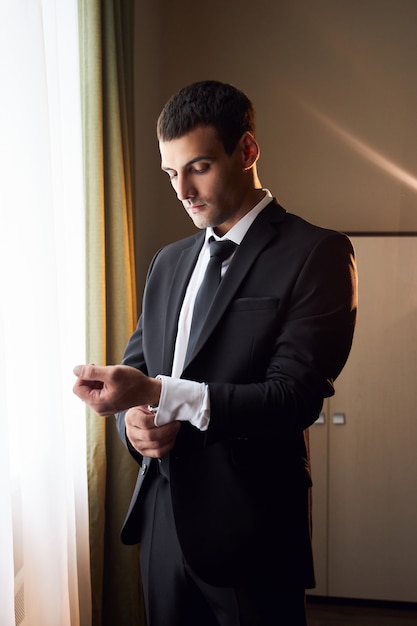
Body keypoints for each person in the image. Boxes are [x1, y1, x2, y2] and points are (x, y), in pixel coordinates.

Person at [73, 80, 358, 626]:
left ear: (247, 151)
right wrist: (133, 421)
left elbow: (292, 399)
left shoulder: (317, 253)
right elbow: (139, 372)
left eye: (198, 166)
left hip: (254, 535)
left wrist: (160, 395)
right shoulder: (168, 261)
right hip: (162, 527)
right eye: (170, 173)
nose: (182, 189)